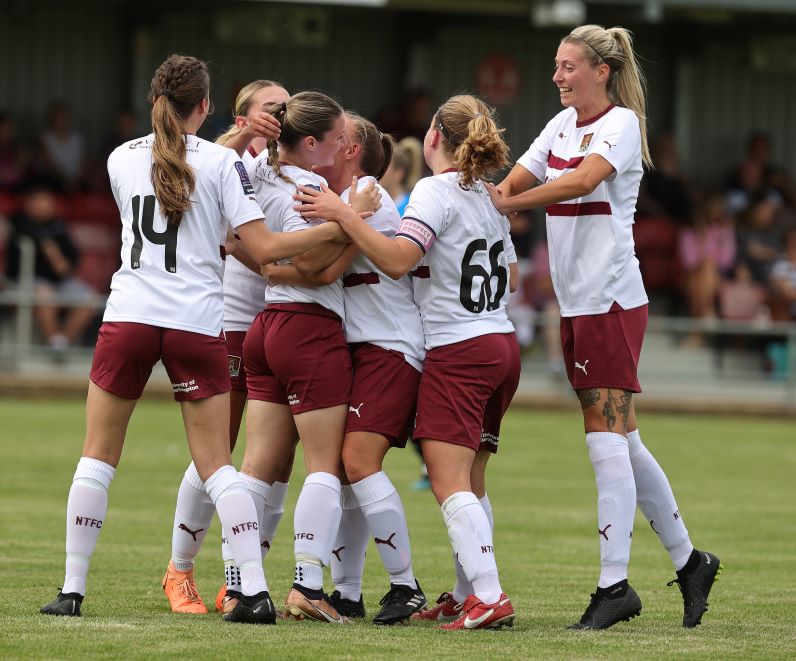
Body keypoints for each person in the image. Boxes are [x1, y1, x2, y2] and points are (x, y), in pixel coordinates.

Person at [39, 54, 343, 625]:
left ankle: (71, 590)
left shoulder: (118, 158)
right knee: (217, 466)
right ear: (205, 105)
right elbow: (269, 249)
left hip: (128, 316)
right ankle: (252, 592)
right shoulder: (220, 165)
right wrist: (343, 220)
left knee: (97, 458)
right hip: (195, 322)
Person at [486, 24, 721, 630]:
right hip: (578, 302)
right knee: (623, 439)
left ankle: (613, 585)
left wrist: (510, 206)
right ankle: (690, 561)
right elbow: (521, 174)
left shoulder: (618, 124)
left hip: (611, 301)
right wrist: (484, 195)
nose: (558, 76)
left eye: (568, 67)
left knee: (602, 437)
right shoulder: (558, 123)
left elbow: (581, 181)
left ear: (601, 71)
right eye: (557, 66)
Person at [294, 94, 520, 631]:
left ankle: (487, 595)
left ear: (435, 137)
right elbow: (508, 272)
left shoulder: (434, 190)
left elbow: (398, 261)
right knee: (472, 479)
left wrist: (346, 216)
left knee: (447, 480)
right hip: (500, 341)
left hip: (458, 348)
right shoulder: (488, 196)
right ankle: (469, 592)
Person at [265, 112, 428, 624]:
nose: (329, 145)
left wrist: (271, 262)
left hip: (390, 348)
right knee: (339, 468)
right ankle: (349, 591)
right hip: (359, 347)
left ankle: (406, 585)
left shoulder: (366, 199)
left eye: (339, 139)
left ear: (352, 150)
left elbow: (316, 268)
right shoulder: (340, 202)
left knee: (356, 461)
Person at [238, 91, 378, 624]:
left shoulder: (256, 173)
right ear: (313, 143)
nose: (347, 145)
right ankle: (307, 586)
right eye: (339, 137)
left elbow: (254, 251)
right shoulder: (313, 187)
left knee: (256, 467)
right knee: (323, 464)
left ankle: (240, 583)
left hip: (266, 325)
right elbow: (318, 268)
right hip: (309, 326)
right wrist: (352, 223)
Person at [161, 79, 294, 615]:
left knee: (278, 456)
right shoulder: (225, 160)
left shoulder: (292, 164)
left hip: (289, 321)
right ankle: (180, 570)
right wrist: (243, 134)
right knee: (218, 448)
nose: (278, 117)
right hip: (236, 319)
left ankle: (241, 576)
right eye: (267, 109)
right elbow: (228, 227)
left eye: (284, 108)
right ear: (239, 116)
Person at [4, 178, 98, 358]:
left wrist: (60, 261)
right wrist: (49, 249)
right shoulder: (18, 222)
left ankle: (60, 343)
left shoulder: (58, 225)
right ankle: (54, 342)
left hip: (59, 281)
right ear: (29, 203)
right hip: (23, 280)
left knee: (90, 298)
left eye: (47, 201)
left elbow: (71, 258)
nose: (44, 206)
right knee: (44, 292)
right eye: (39, 201)